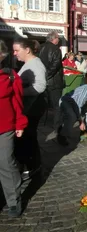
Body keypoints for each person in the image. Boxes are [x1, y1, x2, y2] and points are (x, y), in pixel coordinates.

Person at [0, 40, 27, 217]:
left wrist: (20, 124)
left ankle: (14, 200)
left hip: (5, 127)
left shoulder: (11, 76)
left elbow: (17, 103)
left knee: (5, 163)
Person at [13, 38, 47, 180]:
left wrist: (16, 90)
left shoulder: (35, 65)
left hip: (33, 107)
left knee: (28, 138)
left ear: (27, 50)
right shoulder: (29, 63)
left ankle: (32, 167)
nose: (14, 53)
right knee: (27, 138)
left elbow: (40, 86)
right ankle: (31, 165)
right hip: (30, 106)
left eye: (16, 50)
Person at [57, 83, 87, 147]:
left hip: (78, 104)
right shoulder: (84, 95)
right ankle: (62, 134)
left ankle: (84, 133)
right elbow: (77, 108)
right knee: (72, 117)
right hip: (66, 101)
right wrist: (81, 122)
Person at [39, 31, 64, 130]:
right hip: (54, 82)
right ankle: (57, 127)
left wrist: (42, 77)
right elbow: (55, 66)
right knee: (57, 106)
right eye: (58, 38)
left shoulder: (40, 47)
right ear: (53, 38)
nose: (59, 40)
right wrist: (47, 76)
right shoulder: (56, 49)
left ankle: (42, 123)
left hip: (42, 80)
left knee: (43, 103)